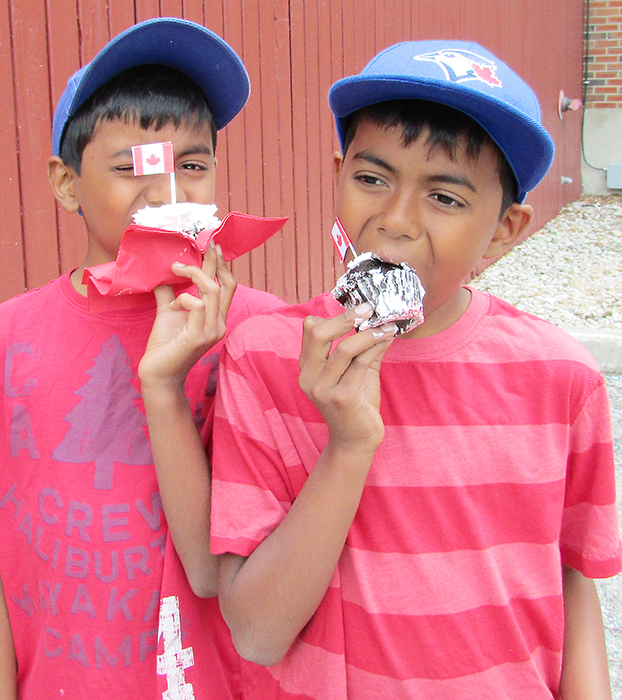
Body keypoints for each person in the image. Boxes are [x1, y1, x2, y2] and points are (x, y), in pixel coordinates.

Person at [210, 40, 622, 699]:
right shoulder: (264, 358)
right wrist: (346, 447)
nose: (394, 221)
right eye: (372, 180)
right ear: (338, 176)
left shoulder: (560, 379)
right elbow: (256, 633)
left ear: (504, 231)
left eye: (447, 198)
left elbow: (571, 580)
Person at [0, 17, 285, 700]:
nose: (167, 194)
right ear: (67, 184)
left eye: (194, 166)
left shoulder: (262, 332)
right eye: (130, 168)